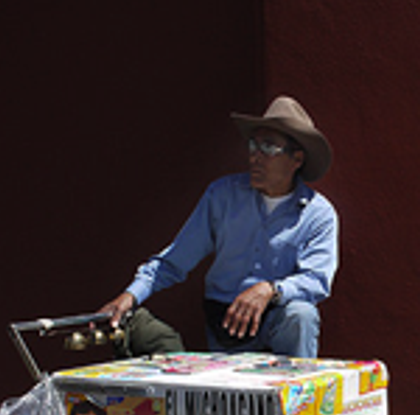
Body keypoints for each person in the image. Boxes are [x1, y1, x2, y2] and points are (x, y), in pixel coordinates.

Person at [99, 95, 338, 358]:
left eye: (269, 147)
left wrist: (270, 290)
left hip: (278, 316)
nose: (255, 156)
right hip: (227, 320)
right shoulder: (223, 196)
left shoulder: (318, 214)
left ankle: (298, 385)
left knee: (302, 314)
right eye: (253, 145)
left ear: (297, 159)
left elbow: (317, 280)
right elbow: (174, 260)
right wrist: (130, 295)